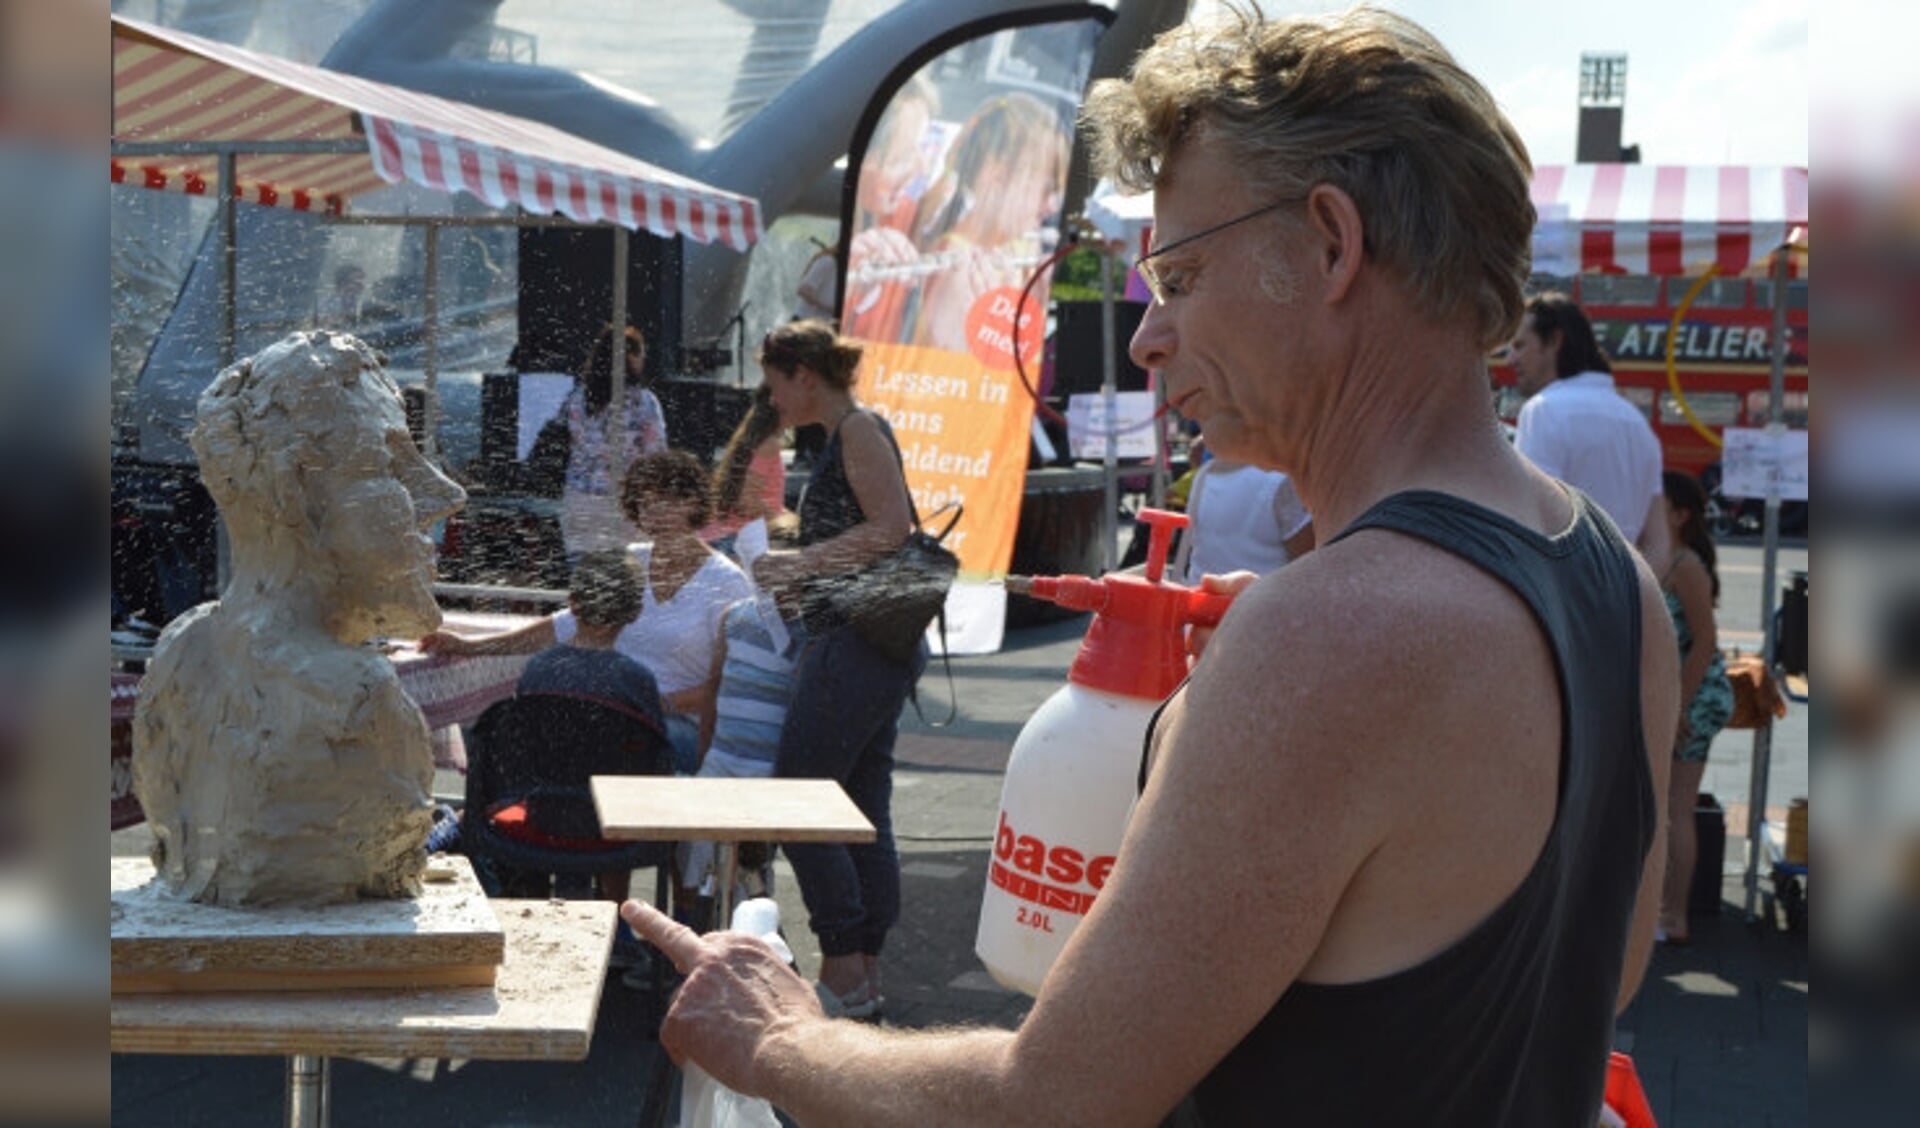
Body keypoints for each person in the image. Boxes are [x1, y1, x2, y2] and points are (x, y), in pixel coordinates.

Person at [622, 10, 1678, 1126]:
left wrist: (779, 1038)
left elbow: (1052, 1103)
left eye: (1181, 274)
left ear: (1330, 243)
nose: (1144, 337)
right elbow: (1597, 975)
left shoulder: (1338, 633)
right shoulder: (1615, 580)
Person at [134, 331, 467, 906]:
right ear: (291, 496)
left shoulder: (180, 649)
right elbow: (385, 875)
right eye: (387, 465)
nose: (444, 492)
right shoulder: (359, 698)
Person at [745, 319, 923, 1018]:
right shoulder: (851, 430)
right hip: (868, 640)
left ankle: (845, 968)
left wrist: (800, 563)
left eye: (773, 386)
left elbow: (891, 529)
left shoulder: (856, 430)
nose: (772, 402)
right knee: (860, 804)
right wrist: (802, 577)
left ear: (803, 376)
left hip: (858, 643)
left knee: (798, 797)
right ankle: (862, 976)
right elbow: (875, 538)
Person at [422, 451, 751, 775]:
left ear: (693, 502)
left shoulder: (727, 582)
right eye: (646, 504)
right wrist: (469, 646)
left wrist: (653, 703)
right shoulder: (632, 560)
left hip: (676, 726)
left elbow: (729, 684)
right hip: (613, 713)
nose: (655, 514)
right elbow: (562, 625)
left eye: (666, 501)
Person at [513, 548, 666, 904]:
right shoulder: (635, 679)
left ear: (573, 603)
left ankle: (533, 906)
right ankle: (618, 921)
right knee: (623, 794)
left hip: (539, 818)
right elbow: (654, 763)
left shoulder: (538, 667)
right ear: (635, 612)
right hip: (609, 827)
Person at [1511, 291, 1671, 570]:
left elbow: (1533, 521)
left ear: (1554, 341)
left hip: (1563, 599)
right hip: (1623, 596)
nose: (1510, 358)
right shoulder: (1637, 423)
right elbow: (1658, 542)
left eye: (1520, 344)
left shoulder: (1544, 409)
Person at [904, 92, 1071, 353]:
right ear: (996, 177)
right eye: (1046, 188)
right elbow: (968, 378)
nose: (1052, 205)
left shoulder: (1020, 248)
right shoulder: (957, 269)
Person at [1656, 469, 1736, 945]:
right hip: (1672, 698)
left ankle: (1674, 916)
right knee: (1664, 808)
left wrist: (1679, 709)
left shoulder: (1685, 564)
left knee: (1677, 809)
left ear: (1681, 515)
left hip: (1694, 699)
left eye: (1657, 502)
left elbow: (1704, 643)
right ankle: (1661, 910)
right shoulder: (1662, 557)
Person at [558, 324, 670, 558]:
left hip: (579, 502)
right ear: (630, 356)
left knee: (586, 580)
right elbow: (656, 457)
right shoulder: (643, 402)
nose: (643, 361)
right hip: (623, 506)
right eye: (640, 355)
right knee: (628, 581)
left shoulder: (577, 398)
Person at [1171, 455, 1315, 583]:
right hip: (1261, 607)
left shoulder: (1204, 474)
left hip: (1201, 604)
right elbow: (1310, 570)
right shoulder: (1280, 481)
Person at [699, 384, 792, 554]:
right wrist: (780, 520)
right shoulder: (769, 444)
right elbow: (747, 501)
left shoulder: (753, 437)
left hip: (719, 537)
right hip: (732, 541)